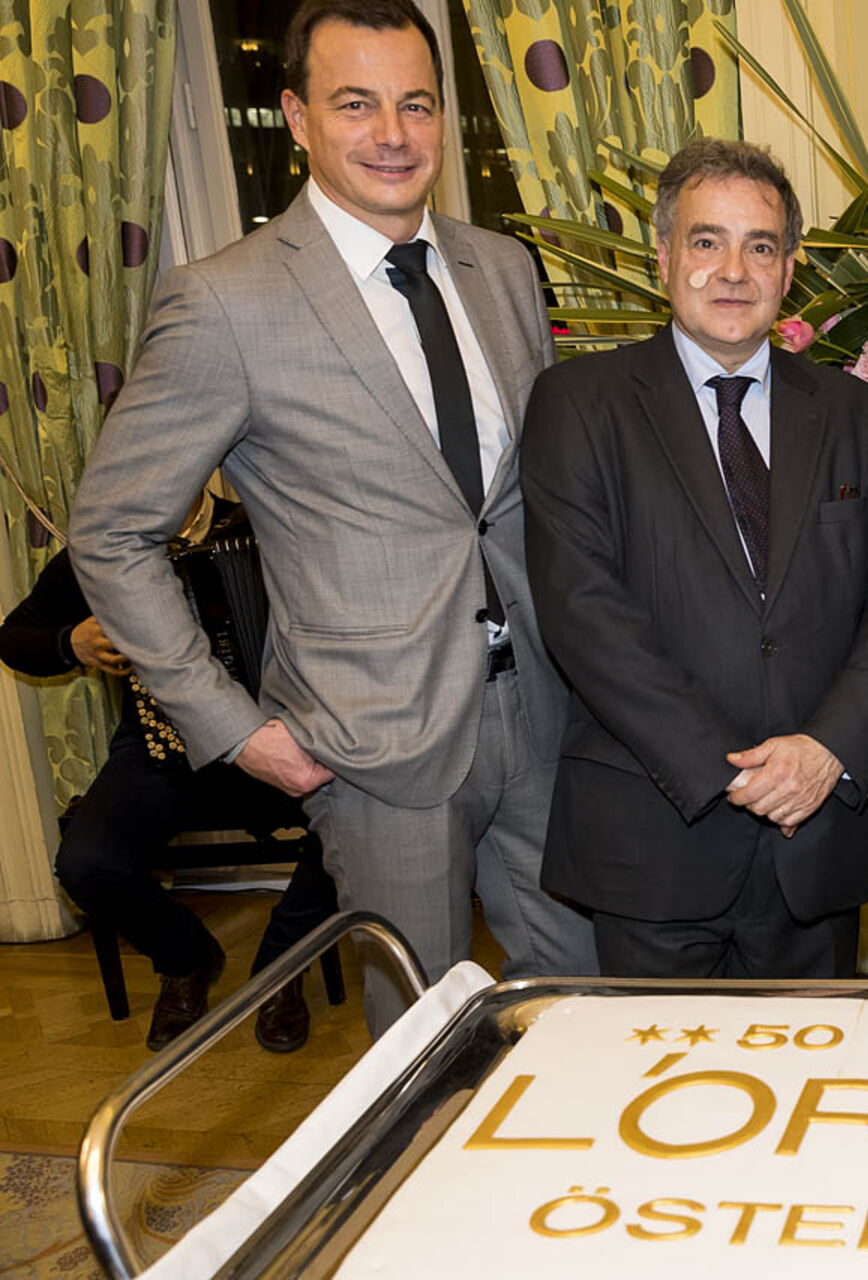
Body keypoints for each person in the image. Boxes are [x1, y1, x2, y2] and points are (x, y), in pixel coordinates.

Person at [68, 0, 595, 1035]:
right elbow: (112, 532)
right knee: (422, 1042)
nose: (393, 134)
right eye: (356, 104)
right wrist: (231, 728)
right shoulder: (225, 302)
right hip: (374, 745)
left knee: (580, 1005)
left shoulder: (503, 270)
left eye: (416, 104)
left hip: (542, 712)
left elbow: (523, 500)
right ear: (297, 118)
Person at [521, 139, 868, 979]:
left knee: (819, 1063)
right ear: (665, 254)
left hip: (817, 834)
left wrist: (825, 750)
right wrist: (732, 775)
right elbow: (584, 614)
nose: (734, 270)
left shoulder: (856, 413)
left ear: (790, 269)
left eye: (761, 246)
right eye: (707, 241)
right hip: (655, 838)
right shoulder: (579, 404)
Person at [0, 500, 336, 1052]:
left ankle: (283, 961)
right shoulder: (105, 549)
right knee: (85, 864)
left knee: (361, 818)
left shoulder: (265, 521)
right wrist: (70, 643)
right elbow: (14, 638)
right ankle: (187, 957)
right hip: (162, 747)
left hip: (279, 741)